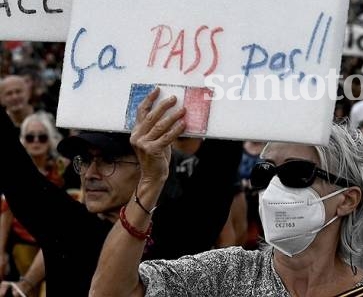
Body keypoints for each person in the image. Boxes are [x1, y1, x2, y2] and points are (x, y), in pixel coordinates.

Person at [89, 93, 363, 297]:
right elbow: (110, 292)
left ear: (348, 199)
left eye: (295, 173)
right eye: (265, 172)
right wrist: (150, 182)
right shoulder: (226, 273)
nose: (274, 187)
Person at [0, 89, 241, 296]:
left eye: (107, 160)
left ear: (147, 160)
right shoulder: (66, 227)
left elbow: (220, 161)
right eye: (84, 160)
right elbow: (11, 166)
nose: (90, 173)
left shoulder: (182, 229)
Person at [0, 113, 67, 296]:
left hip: (58, 246)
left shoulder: (61, 172)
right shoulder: (16, 174)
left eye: (42, 137)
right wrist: (1, 252)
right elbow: (6, 214)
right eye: (30, 137)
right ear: (23, 141)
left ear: (50, 140)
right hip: (24, 246)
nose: (36, 142)